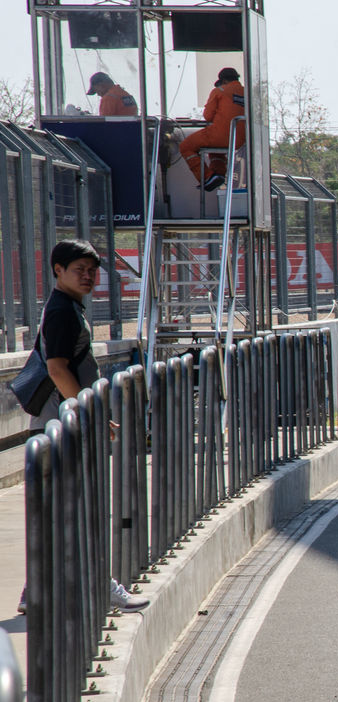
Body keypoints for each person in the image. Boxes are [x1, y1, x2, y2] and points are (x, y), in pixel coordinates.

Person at [18, 240, 148, 615]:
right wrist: (85, 410)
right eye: (80, 270)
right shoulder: (62, 311)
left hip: (61, 420)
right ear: (58, 270)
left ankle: (34, 589)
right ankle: (101, 587)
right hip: (61, 425)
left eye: (93, 270)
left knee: (60, 507)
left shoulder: (67, 307)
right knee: (79, 507)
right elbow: (58, 368)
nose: (89, 276)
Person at [179, 67, 246, 192]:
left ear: (224, 81)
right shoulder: (247, 92)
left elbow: (208, 116)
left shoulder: (219, 91)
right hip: (239, 139)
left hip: (220, 134)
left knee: (185, 146)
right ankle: (218, 174)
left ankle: (206, 177)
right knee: (215, 150)